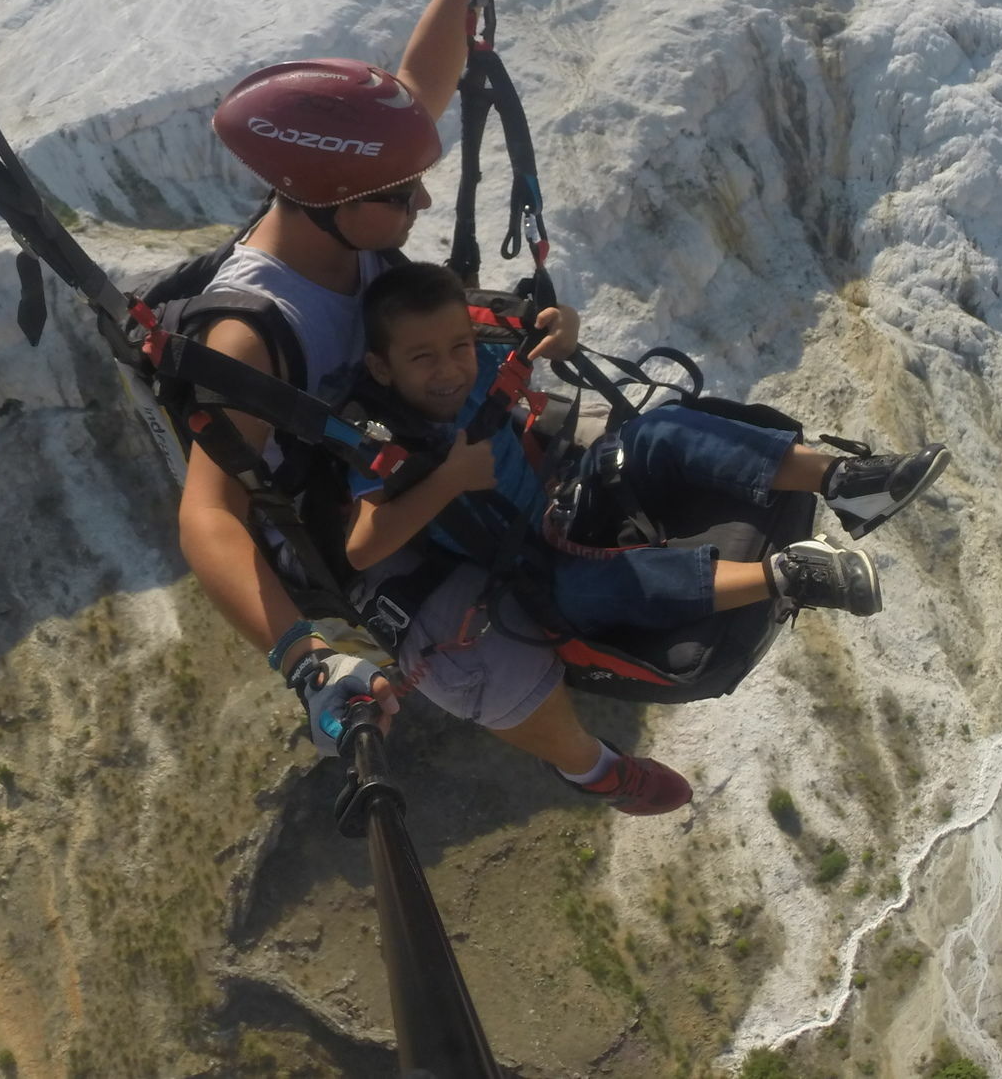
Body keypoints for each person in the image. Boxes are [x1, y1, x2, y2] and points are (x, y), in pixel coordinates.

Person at [340, 261, 950, 814]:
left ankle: (842, 480)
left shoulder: (480, 371)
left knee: (657, 431)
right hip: (528, 569)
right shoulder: (384, 439)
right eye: (422, 359)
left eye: (459, 348)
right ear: (380, 367)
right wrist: (447, 480)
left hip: (565, 496)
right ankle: (788, 575)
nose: (448, 369)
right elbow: (363, 548)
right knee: (600, 587)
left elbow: (542, 332)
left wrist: (565, 325)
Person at [177, 0, 476, 758]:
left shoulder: (349, 211)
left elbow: (423, 84)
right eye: (399, 193)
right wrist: (302, 658)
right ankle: (584, 763)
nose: (420, 199)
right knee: (492, 649)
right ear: (327, 206)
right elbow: (207, 514)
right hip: (347, 529)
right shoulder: (250, 334)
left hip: (413, 439)